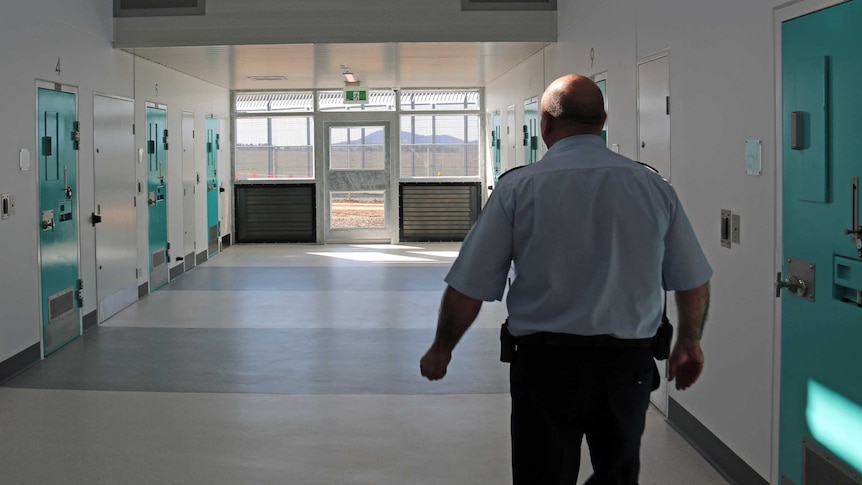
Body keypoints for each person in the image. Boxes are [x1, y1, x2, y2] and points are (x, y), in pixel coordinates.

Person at [419, 74, 712, 484]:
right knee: (617, 472)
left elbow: (469, 284)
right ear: (602, 120)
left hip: (544, 365)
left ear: (545, 123)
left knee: (542, 474)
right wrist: (689, 341)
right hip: (627, 365)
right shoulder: (652, 187)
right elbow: (692, 277)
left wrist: (442, 348)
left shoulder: (517, 189)